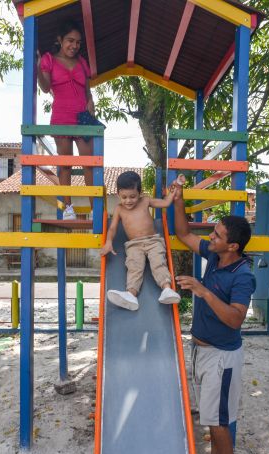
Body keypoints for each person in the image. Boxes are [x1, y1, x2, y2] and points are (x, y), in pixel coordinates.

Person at [171, 176, 255, 454]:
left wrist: (204, 291)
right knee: (210, 414)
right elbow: (183, 233)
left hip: (222, 356)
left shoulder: (242, 276)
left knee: (219, 420)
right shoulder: (216, 257)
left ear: (232, 246)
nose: (211, 235)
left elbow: (235, 319)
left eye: (217, 234)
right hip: (202, 351)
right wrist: (178, 199)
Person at [37, 20, 95, 220]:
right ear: (60, 40)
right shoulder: (48, 60)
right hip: (61, 117)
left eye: (78, 42)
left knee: (90, 163)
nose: (75, 45)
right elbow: (45, 87)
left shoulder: (82, 62)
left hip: (82, 118)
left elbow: (88, 92)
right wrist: (38, 68)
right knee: (65, 165)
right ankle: (68, 209)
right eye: (70, 40)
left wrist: (91, 113)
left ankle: (94, 209)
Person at [100, 171, 182, 311]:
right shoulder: (119, 209)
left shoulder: (146, 201)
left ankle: (167, 289)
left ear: (140, 192)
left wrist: (176, 187)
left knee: (158, 262)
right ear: (119, 194)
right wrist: (108, 242)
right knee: (134, 266)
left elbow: (166, 202)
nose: (128, 201)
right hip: (134, 245)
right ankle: (131, 294)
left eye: (132, 196)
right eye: (124, 197)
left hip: (153, 241)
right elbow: (113, 228)